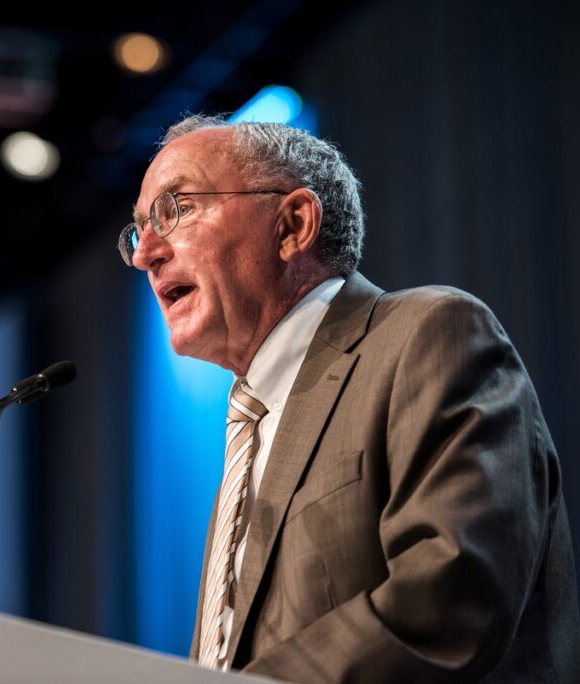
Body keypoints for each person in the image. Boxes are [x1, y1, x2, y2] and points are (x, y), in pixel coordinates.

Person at [118, 115, 579, 682]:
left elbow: (448, 594)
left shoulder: (429, 334)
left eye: (177, 208)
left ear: (293, 224)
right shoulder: (249, 428)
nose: (147, 254)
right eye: (140, 230)